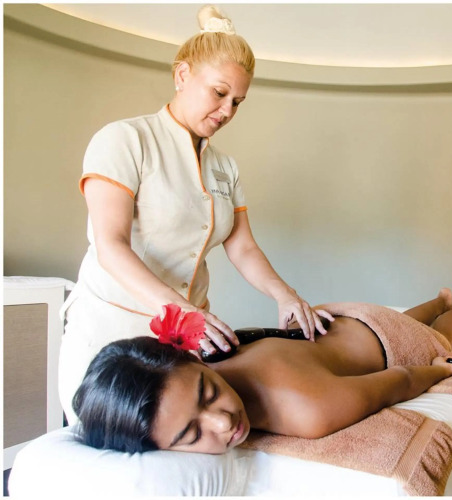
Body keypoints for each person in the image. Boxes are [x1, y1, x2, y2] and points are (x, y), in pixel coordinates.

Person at [59, 5, 333, 425]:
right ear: (182, 75)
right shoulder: (124, 140)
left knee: (185, 438)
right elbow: (111, 246)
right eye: (219, 93)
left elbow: (243, 247)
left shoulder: (224, 167)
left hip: (184, 341)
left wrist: (286, 296)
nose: (227, 111)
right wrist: (182, 311)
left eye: (238, 102)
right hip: (112, 331)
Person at [73, 288, 452, 454]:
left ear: (194, 360)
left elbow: (400, 380)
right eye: (192, 434)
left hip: (378, 340)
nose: (222, 421)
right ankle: (437, 300)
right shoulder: (216, 356)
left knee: (441, 338)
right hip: (342, 319)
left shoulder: (308, 410)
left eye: (208, 392)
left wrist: (439, 371)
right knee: (407, 318)